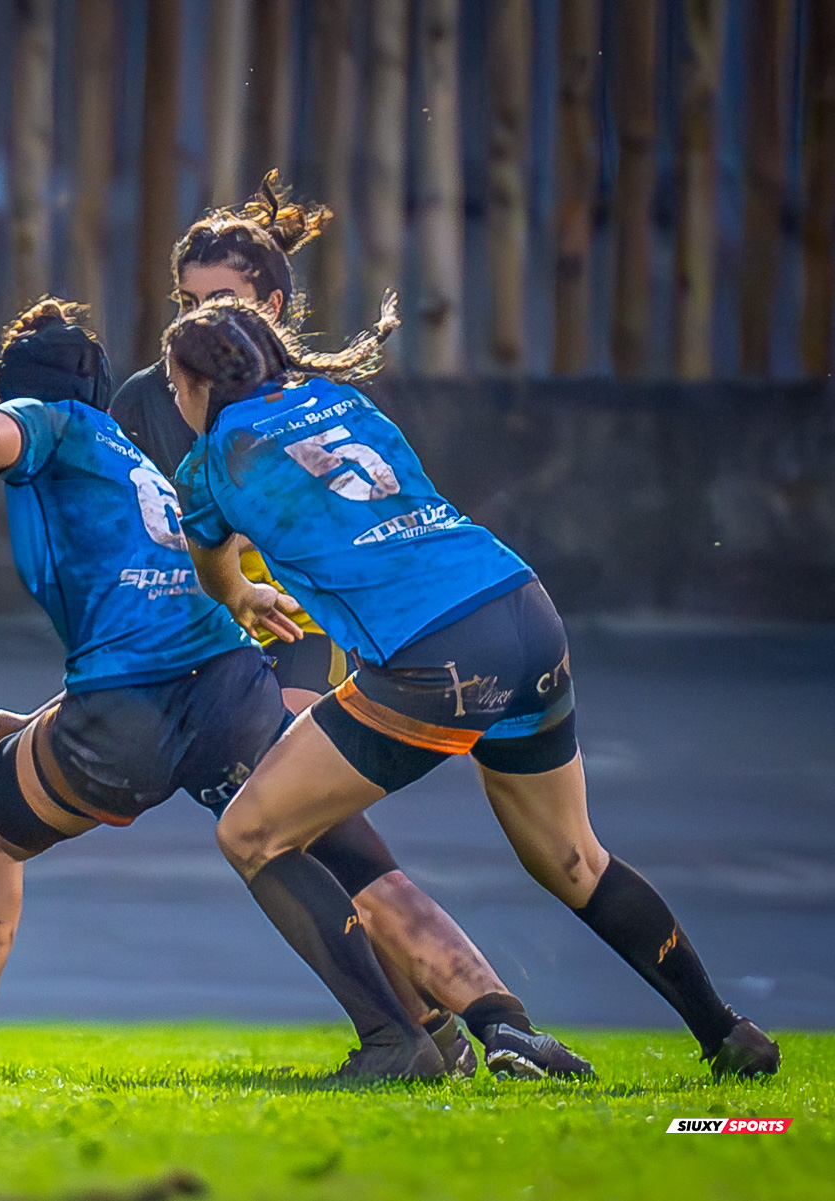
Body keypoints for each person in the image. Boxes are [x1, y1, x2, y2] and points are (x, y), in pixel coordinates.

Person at [0, 300, 586, 1080]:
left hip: (132, 708)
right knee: (339, 854)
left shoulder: (50, 428)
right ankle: (452, 1027)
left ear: (18, 392)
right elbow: (164, 607)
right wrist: (52, 714)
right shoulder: (135, 457)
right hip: (232, 685)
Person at [165, 294, 781, 1080]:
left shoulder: (212, 458)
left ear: (194, 383)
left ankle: (397, 1045)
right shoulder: (343, 401)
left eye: (177, 384)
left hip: (437, 653)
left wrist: (241, 594)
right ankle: (726, 1032)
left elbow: (214, 566)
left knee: (252, 831)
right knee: (574, 858)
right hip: (521, 607)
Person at [111, 172, 344, 711]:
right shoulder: (143, 399)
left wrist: (211, 539)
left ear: (272, 307)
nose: (199, 319)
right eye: (187, 301)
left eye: (220, 300)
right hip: (179, 631)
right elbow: (115, 528)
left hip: (292, 624)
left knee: (291, 770)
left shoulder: (314, 402)